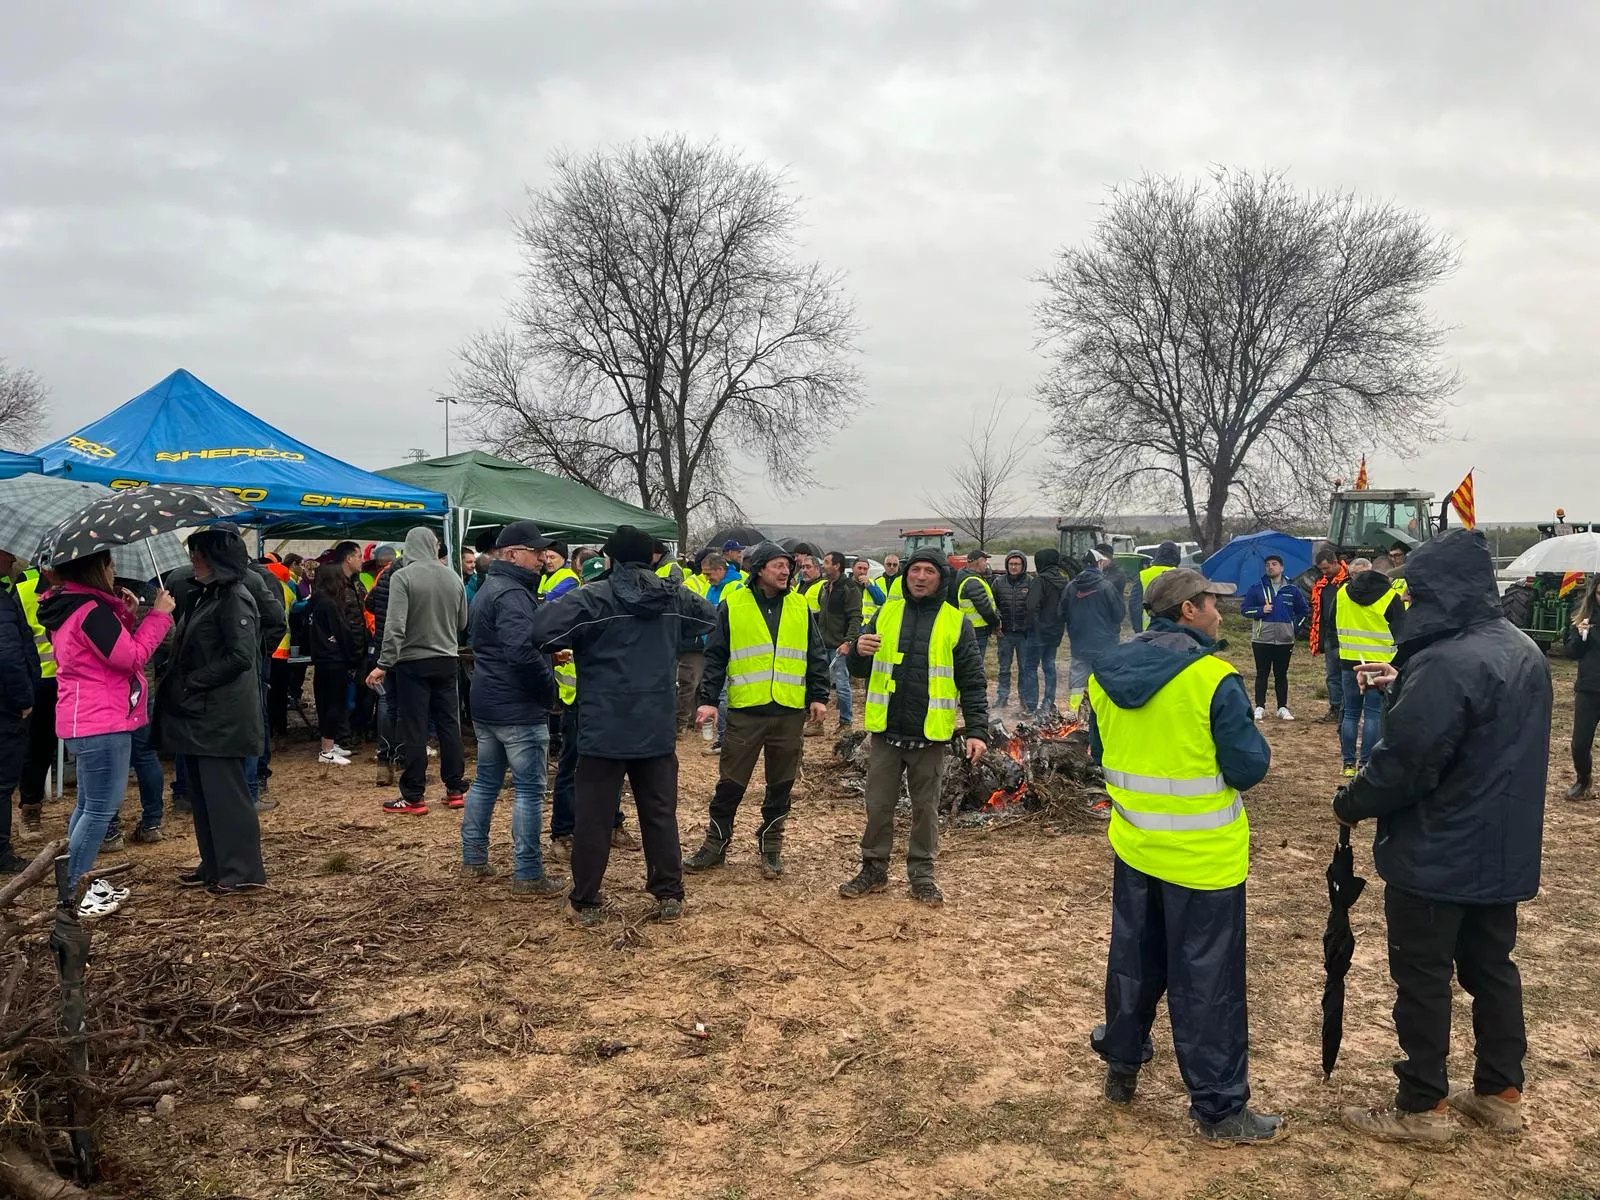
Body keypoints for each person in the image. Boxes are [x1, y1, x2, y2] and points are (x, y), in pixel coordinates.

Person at [1334, 529, 1550, 1146]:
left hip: (1436, 851)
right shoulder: (1521, 650)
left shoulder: (1446, 661)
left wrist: (1351, 803)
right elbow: (1478, 733)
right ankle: (1500, 1092)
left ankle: (1421, 1106)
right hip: (1501, 847)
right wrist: (1404, 685)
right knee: (1493, 970)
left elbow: (1406, 762)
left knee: (1423, 978)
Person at [1085, 568, 1280, 1143]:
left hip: (1136, 847)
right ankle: (1220, 1110)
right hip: (1202, 859)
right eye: (1212, 603)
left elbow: (1102, 751)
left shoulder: (1105, 673)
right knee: (1207, 982)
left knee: (1134, 963)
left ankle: (1122, 1067)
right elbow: (1248, 767)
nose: (1220, 611)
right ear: (1188, 611)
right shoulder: (1212, 679)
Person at [529, 525, 717, 928]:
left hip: (603, 726)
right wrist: (673, 633)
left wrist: (581, 628)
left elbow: (541, 631)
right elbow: (708, 617)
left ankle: (585, 901)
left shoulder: (594, 597)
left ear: (610, 558)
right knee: (659, 813)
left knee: (594, 817)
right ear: (651, 558)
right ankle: (669, 894)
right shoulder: (671, 595)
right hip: (656, 725)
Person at [840, 549, 989, 904]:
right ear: (906, 576)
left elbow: (972, 681)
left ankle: (921, 875)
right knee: (878, 807)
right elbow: (859, 671)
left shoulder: (956, 622)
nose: (920, 577)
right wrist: (859, 651)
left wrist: (977, 731)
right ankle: (874, 868)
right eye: (915, 571)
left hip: (930, 737)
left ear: (940, 578)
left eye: (929, 572)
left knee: (926, 809)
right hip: (887, 733)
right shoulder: (886, 613)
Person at [37, 551, 175, 915]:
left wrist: (125, 614)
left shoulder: (72, 606)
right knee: (99, 810)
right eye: (111, 565)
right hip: (103, 720)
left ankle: (76, 879)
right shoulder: (91, 611)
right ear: (97, 568)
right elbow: (130, 657)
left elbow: (101, 652)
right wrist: (158, 615)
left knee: (87, 806)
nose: (115, 571)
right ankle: (73, 891)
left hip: (87, 718)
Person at [686, 541, 828, 878]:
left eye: (787, 566)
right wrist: (707, 700)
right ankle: (715, 843)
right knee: (731, 783)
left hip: (788, 711)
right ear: (760, 569)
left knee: (781, 784)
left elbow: (815, 654)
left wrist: (818, 695)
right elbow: (716, 655)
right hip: (747, 711)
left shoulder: (798, 605)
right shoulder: (732, 605)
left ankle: (771, 846)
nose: (785, 571)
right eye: (778, 565)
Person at [155, 528, 268, 897]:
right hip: (203, 714)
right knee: (204, 796)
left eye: (198, 555)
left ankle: (242, 870)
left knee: (226, 797)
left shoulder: (234, 598)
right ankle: (215, 863)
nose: (193, 561)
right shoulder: (209, 595)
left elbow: (240, 656)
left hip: (221, 716)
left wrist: (193, 681)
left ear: (216, 559)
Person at [461, 521, 565, 897]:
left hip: (488, 700)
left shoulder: (493, 587)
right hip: (516, 706)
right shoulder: (512, 593)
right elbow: (520, 651)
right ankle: (527, 872)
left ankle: (473, 858)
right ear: (511, 554)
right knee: (529, 791)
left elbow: (508, 645)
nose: (542, 558)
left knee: (486, 782)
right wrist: (547, 688)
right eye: (535, 552)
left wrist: (547, 654)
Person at [366, 528, 471, 815]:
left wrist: (383, 665)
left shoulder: (403, 577)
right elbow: (462, 622)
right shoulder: (453, 577)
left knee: (414, 727)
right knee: (450, 725)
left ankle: (413, 795)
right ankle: (454, 789)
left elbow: (395, 626)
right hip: (447, 660)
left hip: (413, 662)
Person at [1334, 557, 1406, 777]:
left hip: (1349, 661)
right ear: (1386, 575)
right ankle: (1365, 763)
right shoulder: (1390, 596)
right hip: (1379, 664)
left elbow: (1330, 622)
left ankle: (1347, 764)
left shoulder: (1342, 593)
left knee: (1351, 713)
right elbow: (1403, 630)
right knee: (1373, 715)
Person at [0, 546, 40, 873]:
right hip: (5, 707)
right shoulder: (2, 603)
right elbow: (9, 657)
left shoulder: (7, 595)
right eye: (7, 554)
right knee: (3, 782)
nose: (13, 560)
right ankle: (1, 852)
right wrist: (23, 700)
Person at [13, 565, 57, 843]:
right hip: (43, 681)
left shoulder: (86, 586)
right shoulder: (24, 590)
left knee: (89, 749)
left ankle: (99, 818)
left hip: (79, 678)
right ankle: (30, 809)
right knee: (38, 748)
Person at [1239, 553, 1309, 721]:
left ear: (1281, 567)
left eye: (1274, 564)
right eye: (1267, 565)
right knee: (1261, 673)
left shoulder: (1292, 589)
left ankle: (1282, 707)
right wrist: (1260, 610)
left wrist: (1294, 629)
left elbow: (1303, 611)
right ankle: (1259, 707)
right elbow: (1244, 609)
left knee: (1281, 674)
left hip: (1285, 640)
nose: (1270, 567)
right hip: (1261, 638)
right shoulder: (1257, 588)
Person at [307, 563, 360, 766]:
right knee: (334, 704)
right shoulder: (330, 604)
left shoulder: (315, 601)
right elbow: (343, 632)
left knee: (325, 703)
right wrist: (352, 655)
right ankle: (327, 750)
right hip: (334, 660)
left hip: (321, 659)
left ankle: (329, 743)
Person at [1061, 550, 1125, 715]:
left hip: (1079, 645)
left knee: (1077, 684)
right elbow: (1119, 615)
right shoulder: (1107, 587)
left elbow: (1061, 614)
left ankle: (1075, 715)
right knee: (1104, 680)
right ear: (1099, 564)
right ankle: (1101, 714)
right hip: (1105, 646)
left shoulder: (1070, 587)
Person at [813, 551, 863, 732]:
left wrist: (848, 642)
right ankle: (816, 723)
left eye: (826, 562)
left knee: (842, 685)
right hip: (822, 644)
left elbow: (855, 617)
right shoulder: (825, 587)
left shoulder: (850, 588)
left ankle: (846, 722)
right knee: (819, 685)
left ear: (837, 566)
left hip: (839, 646)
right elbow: (824, 613)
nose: (823, 565)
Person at [1564, 575, 1600, 800]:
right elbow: (1572, 653)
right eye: (1599, 592)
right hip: (1589, 689)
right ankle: (1583, 780)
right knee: (1579, 744)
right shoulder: (1583, 617)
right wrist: (1580, 635)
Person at [1308, 548, 1348, 723]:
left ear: (1335, 563)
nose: (1324, 572)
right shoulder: (1321, 585)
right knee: (1332, 675)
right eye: (1321, 570)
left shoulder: (1349, 581)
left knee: (1347, 676)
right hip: (1330, 637)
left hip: (1347, 636)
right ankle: (1335, 708)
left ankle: (1348, 710)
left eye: (1326, 568)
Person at [992, 551, 1035, 712]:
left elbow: (1036, 607)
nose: (1014, 567)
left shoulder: (1031, 582)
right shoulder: (998, 582)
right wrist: (996, 623)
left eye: (1017, 564)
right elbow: (992, 605)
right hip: (1005, 633)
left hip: (1024, 634)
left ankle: (1024, 699)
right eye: (1011, 564)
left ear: (1023, 566)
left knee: (1024, 668)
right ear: (1006, 565)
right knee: (1004, 668)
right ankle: (1002, 698)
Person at [951, 549, 999, 659]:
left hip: (972, 629)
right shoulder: (973, 582)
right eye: (984, 561)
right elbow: (985, 608)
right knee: (976, 663)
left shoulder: (968, 577)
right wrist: (996, 623)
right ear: (978, 561)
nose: (986, 564)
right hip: (977, 630)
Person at [1127, 541, 1181, 635]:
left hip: (1148, 631)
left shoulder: (1143, 574)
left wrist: (1138, 630)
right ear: (1177, 558)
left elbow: (1134, 605)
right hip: (1175, 631)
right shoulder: (1180, 575)